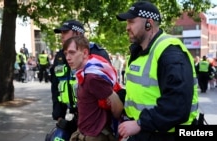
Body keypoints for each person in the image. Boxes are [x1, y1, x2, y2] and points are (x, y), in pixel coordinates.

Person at [116, 1, 199, 141]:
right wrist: (117, 95)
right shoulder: (138, 53)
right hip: (146, 133)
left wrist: (140, 123)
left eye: (131, 22)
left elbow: (178, 104)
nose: (127, 27)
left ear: (149, 23)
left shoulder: (170, 53)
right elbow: (142, 93)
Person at [50, 19, 112, 139]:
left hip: (95, 120)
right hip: (70, 117)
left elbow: (110, 89)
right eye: (61, 33)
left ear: (78, 34)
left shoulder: (97, 53)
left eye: (65, 32)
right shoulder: (60, 56)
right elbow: (56, 86)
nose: (61, 36)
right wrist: (58, 114)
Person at [63, 36, 123, 141]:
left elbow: (117, 107)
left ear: (85, 53)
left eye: (72, 53)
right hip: (83, 133)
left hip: (95, 136)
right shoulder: (83, 74)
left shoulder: (92, 78)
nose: (68, 57)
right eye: (66, 53)